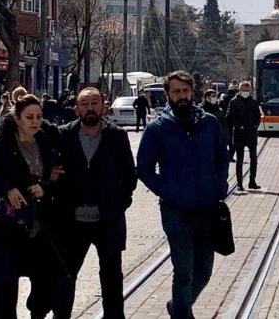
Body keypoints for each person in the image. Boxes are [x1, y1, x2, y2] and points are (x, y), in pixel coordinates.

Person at [137, 71, 229, 318]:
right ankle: (182, 313)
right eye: (176, 91)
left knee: (204, 272)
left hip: (207, 208)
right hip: (175, 209)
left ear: (193, 93)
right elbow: (143, 168)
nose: (181, 96)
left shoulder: (209, 123)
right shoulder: (157, 128)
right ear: (168, 95)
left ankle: (178, 306)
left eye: (185, 91)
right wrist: (167, 190)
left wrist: (221, 185)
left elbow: (222, 156)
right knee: (183, 269)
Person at [0, 94, 67, 319]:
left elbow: (55, 173)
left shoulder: (46, 140)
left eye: (39, 116)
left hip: (36, 224)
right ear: (17, 118)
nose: (35, 121)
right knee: (4, 290)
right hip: (4, 226)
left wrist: (45, 186)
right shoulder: (0, 143)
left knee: (50, 279)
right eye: (29, 117)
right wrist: (7, 188)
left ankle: (36, 312)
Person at [56, 87, 137, 319]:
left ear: (104, 106)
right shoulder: (63, 136)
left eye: (94, 103)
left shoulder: (117, 136)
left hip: (107, 222)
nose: (90, 108)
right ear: (76, 109)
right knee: (65, 279)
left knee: (112, 279)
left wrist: (120, 202)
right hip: (72, 223)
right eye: (84, 104)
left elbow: (129, 176)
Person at [226, 81, 262, 191]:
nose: (246, 92)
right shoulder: (234, 101)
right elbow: (229, 116)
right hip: (239, 134)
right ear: (240, 90)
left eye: (247, 90)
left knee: (254, 159)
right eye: (244, 90)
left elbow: (258, 116)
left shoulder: (253, 102)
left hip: (251, 134)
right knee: (240, 159)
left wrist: (256, 125)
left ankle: (252, 181)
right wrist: (238, 125)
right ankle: (239, 183)